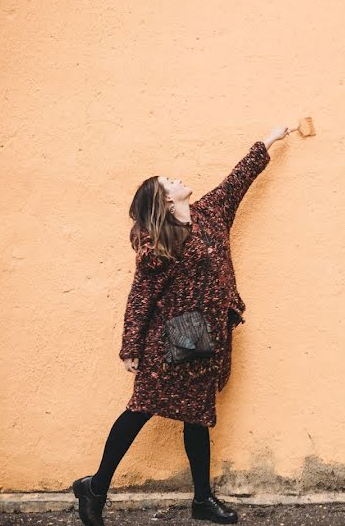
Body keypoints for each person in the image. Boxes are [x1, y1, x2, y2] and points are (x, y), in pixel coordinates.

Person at [72, 127, 290, 525]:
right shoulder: (159, 243)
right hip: (168, 346)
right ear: (165, 200)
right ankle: (95, 487)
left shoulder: (211, 212)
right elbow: (141, 296)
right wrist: (131, 349)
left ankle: (202, 501)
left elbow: (239, 178)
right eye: (168, 182)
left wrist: (270, 139)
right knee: (139, 411)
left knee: (198, 415)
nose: (178, 179)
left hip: (207, 342)